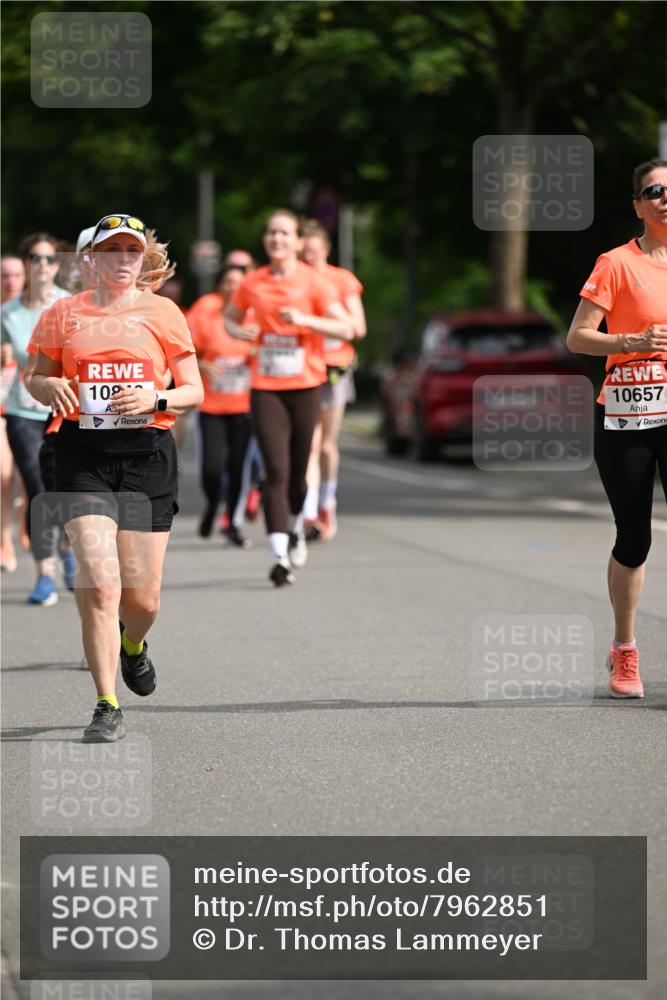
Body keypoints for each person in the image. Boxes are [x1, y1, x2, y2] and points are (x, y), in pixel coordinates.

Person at [29, 213, 203, 741]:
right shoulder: (64, 313)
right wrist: (49, 388)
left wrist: (157, 397)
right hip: (82, 454)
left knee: (142, 600)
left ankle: (134, 646)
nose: (122, 259)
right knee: (100, 584)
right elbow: (36, 378)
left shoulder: (163, 312)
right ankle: (106, 704)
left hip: (146, 455)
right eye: (112, 250)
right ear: (92, 259)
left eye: (132, 250)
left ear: (142, 258)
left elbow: (193, 388)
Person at [567, 157, 667, 699]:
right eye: (654, 191)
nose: (665, 198)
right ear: (638, 205)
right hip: (627, 410)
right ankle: (624, 651)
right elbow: (577, 337)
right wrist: (629, 343)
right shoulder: (615, 263)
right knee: (635, 536)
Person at [223, 209, 354, 585]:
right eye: (271, 232)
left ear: (298, 241)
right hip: (265, 386)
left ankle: (297, 528)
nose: (276, 239)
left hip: (306, 385)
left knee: (298, 473)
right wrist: (239, 332)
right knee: (275, 471)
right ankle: (280, 554)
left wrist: (306, 321)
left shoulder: (314, 282)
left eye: (284, 233)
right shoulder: (253, 282)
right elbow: (230, 318)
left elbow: (345, 327)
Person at [1, 233, 70, 602]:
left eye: (49, 258)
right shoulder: (7, 313)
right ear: (26, 264)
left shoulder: (70, 305)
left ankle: (69, 550)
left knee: (63, 485)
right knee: (36, 486)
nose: (42, 265)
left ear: (58, 265)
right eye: (34, 258)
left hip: (63, 408)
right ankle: (45, 573)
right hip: (22, 410)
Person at [300, 222, 366, 541]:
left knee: (326, 444)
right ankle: (310, 512)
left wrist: (322, 323)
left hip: (335, 368)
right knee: (309, 444)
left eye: (315, 251)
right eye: (305, 252)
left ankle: (328, 501)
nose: (309, 257)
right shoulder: (296, 282)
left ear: (326, 250)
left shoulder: (342, 280)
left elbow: (359, 327)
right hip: (304, 369)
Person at [188, 265, 253, 546]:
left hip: (244, 405)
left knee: (238, 466)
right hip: (212, 405)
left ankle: (234, 522)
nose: (233, 288)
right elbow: (186, 350)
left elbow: (274, 347)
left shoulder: (255, 314)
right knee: (212, 468)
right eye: (228, 282)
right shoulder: (206, 309)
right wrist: (203, 364)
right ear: (220, 285)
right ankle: (213, 504)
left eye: (239, 284)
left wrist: (255, 353)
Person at [1, 254, 26, 571]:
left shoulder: (34, 315)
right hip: (2, 408)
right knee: (4, 478)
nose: (10, 281)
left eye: (16, 275)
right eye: (4, 275)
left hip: (30, 408)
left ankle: (26, 521)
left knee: (30, 478)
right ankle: (4, 542)